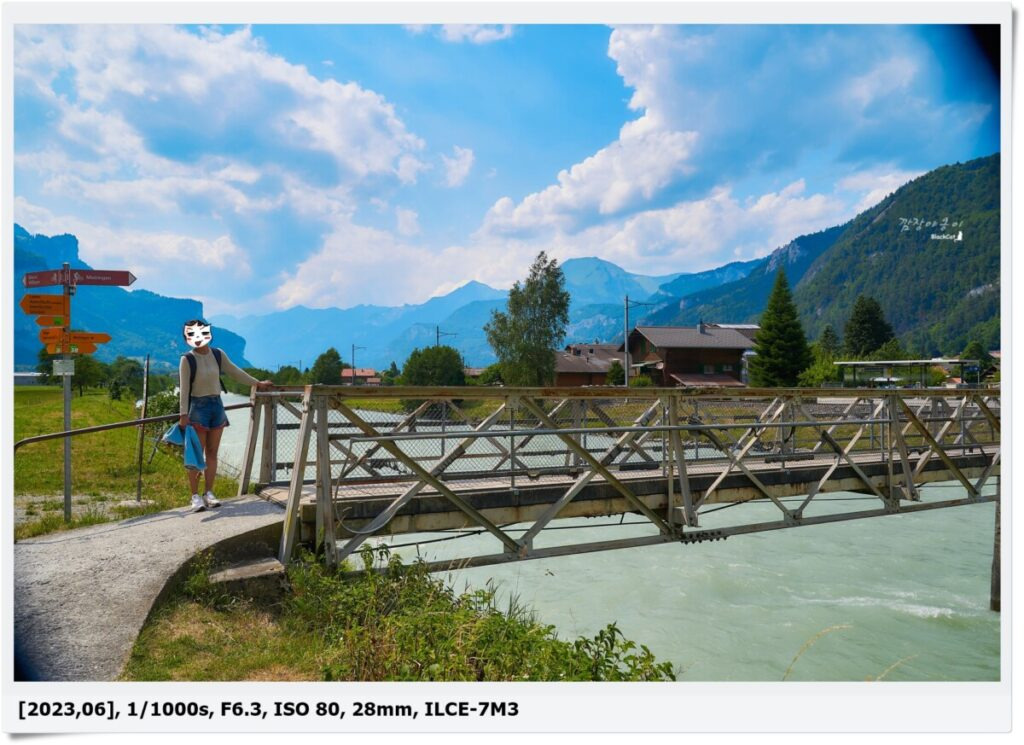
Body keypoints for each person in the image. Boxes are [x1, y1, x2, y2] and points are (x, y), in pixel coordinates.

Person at [178, 319, 273, 512]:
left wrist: (257, 383)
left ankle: (209, 493)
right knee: (196, 455)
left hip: (217, 406)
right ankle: (195, 497)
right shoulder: (187, 359)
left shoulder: (218, 354)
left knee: (212, 453)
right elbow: (184, 388)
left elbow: (235, 372)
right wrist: (183, 414)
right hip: (198, 408)